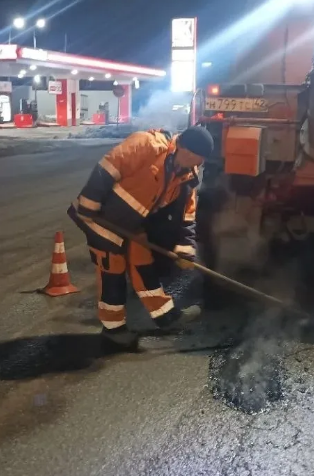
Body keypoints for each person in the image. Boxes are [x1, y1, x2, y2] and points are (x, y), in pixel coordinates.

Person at [68, 125, 215, 349]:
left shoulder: (187, 175)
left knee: (143, 265)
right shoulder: (147, 145)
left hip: (133, 224)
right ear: (184, 149)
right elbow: (107, 168)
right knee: (112, 273)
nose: (198, 165)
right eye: (197, 159)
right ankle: (113, 329)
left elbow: (188, 213)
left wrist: (185, 246)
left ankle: (165, 315)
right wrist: (89, 205)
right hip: (102, 218)